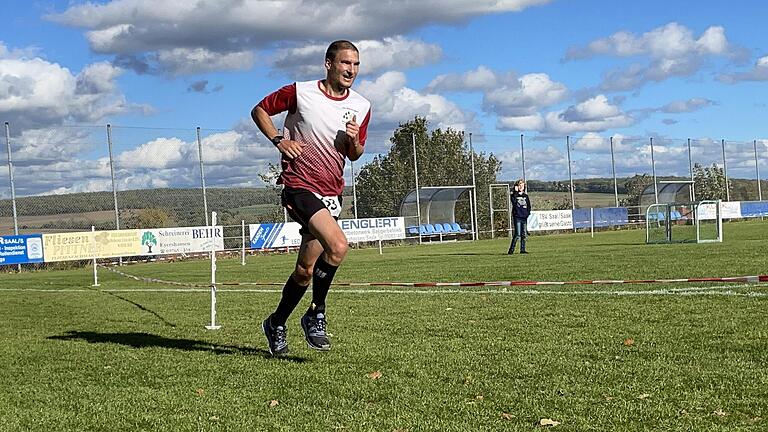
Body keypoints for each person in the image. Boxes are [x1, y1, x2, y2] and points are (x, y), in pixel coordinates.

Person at [251, 40, 372, 356]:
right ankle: (316, 313)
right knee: (339, 246)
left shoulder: (361, 105)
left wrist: (353, 139)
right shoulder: (301, 92)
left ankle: (276, 323)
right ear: (329, 64)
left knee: (305, 270)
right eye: (346, 63)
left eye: (356, 64)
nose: (351, 70)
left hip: (332, 192)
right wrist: (279, 140)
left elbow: (355, 154)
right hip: (299, 185)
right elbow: (260, 110)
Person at [507, 179, 531, 254]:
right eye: (520, 185)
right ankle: (511, 250)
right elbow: (514, 202)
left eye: (522, 185)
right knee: (517, 234)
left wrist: (527, 213)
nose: (521, 187)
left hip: (524, 217)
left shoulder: (525, 196)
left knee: (524, 234)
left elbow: (529, 206)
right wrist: (516, 192)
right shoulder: (514, 195)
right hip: (517, 217)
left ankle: (522, 249)